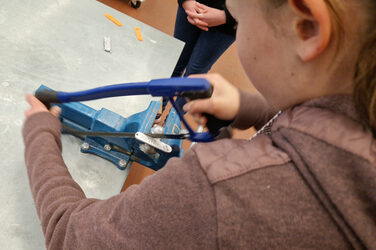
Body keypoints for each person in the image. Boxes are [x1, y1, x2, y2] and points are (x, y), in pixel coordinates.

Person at [23, 0, 376, 249]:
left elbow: (71, 236)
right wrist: (247, 107)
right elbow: (322, 120)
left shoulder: (218, 192)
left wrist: (40, 132)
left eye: (237, 18)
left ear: (307, 27)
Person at [158, 0, 237, 118]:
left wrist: (227, 16)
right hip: (191, 7)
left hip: (226, 22)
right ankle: (154, 114)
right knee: (175, 61)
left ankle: (171, 123)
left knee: (195, 73)